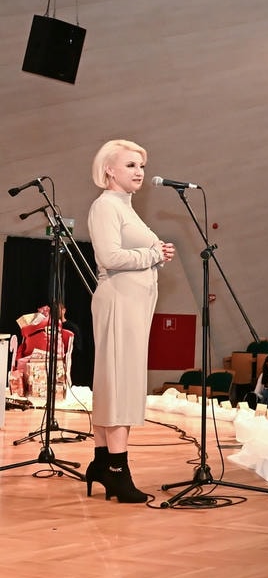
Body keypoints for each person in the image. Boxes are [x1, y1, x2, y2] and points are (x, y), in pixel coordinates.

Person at [85, 139, 175, 503]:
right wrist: (152, 253)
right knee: (120, 383)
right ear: (109, 169)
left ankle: (101, 462)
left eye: (141, 166)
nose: (140, 172)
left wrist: (157, 255)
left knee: (113, 380)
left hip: (131, 303)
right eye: (130, 165)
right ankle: (117, 471)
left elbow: (134, 254)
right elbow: (110, 256)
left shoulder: (125, 207)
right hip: (119, 301)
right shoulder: (106, 205)